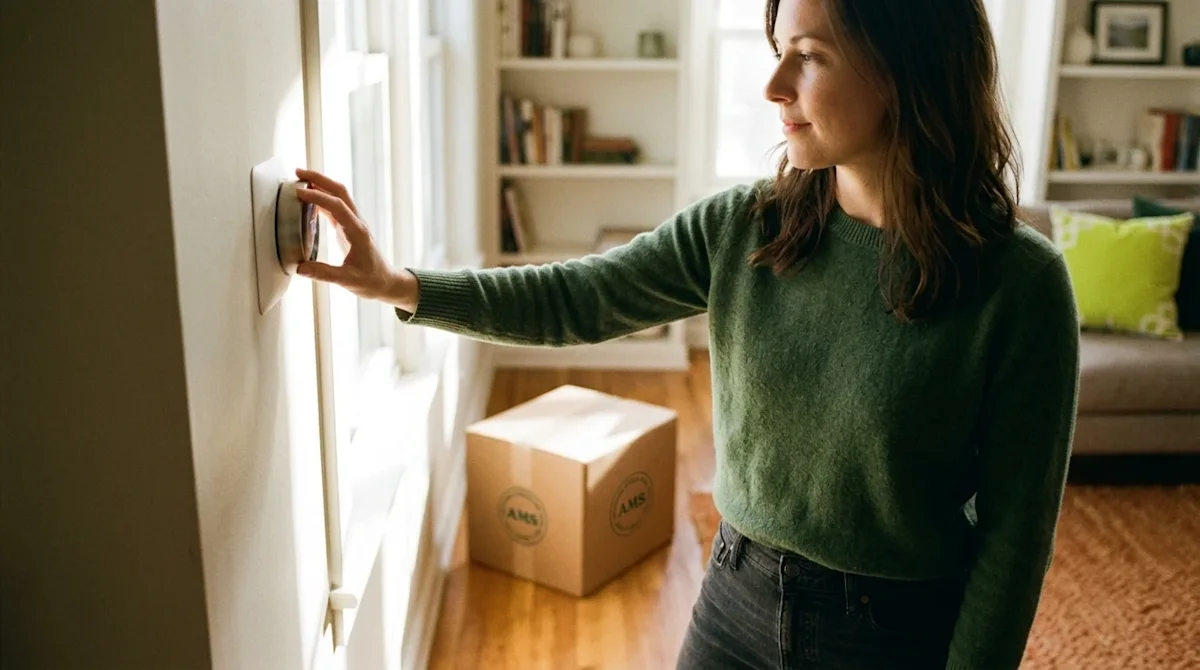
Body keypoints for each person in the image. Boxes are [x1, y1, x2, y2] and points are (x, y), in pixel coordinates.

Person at [294, 0, 1081, 667]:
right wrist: (399, 285)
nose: (773, 85)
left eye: (809, 57)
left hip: (892, 637)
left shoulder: (1020, 285)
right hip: (733, 602)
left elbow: (1014, 544)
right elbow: (578, 297)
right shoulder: (744, 227)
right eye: (778, 50)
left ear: (911, 67)